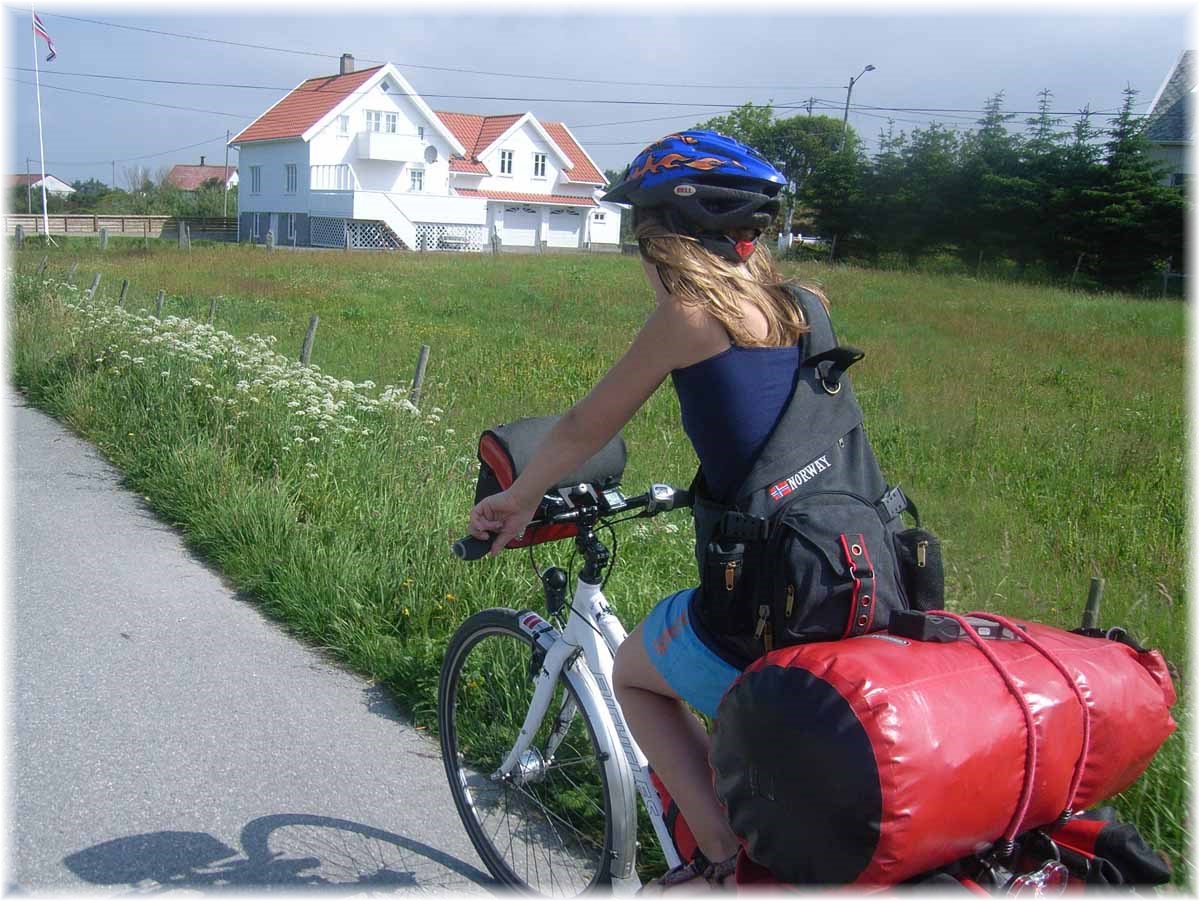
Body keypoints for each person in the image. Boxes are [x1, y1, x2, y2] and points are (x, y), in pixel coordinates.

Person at [467, 130, 823, 889]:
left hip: (771, 590)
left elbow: (584, 429)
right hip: (852, 568)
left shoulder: (689, 319)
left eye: (645, 234)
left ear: (669, 237)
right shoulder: (807, 307)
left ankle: (724, 863)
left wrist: (516, 500)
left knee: (632, 672)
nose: (643, 253)